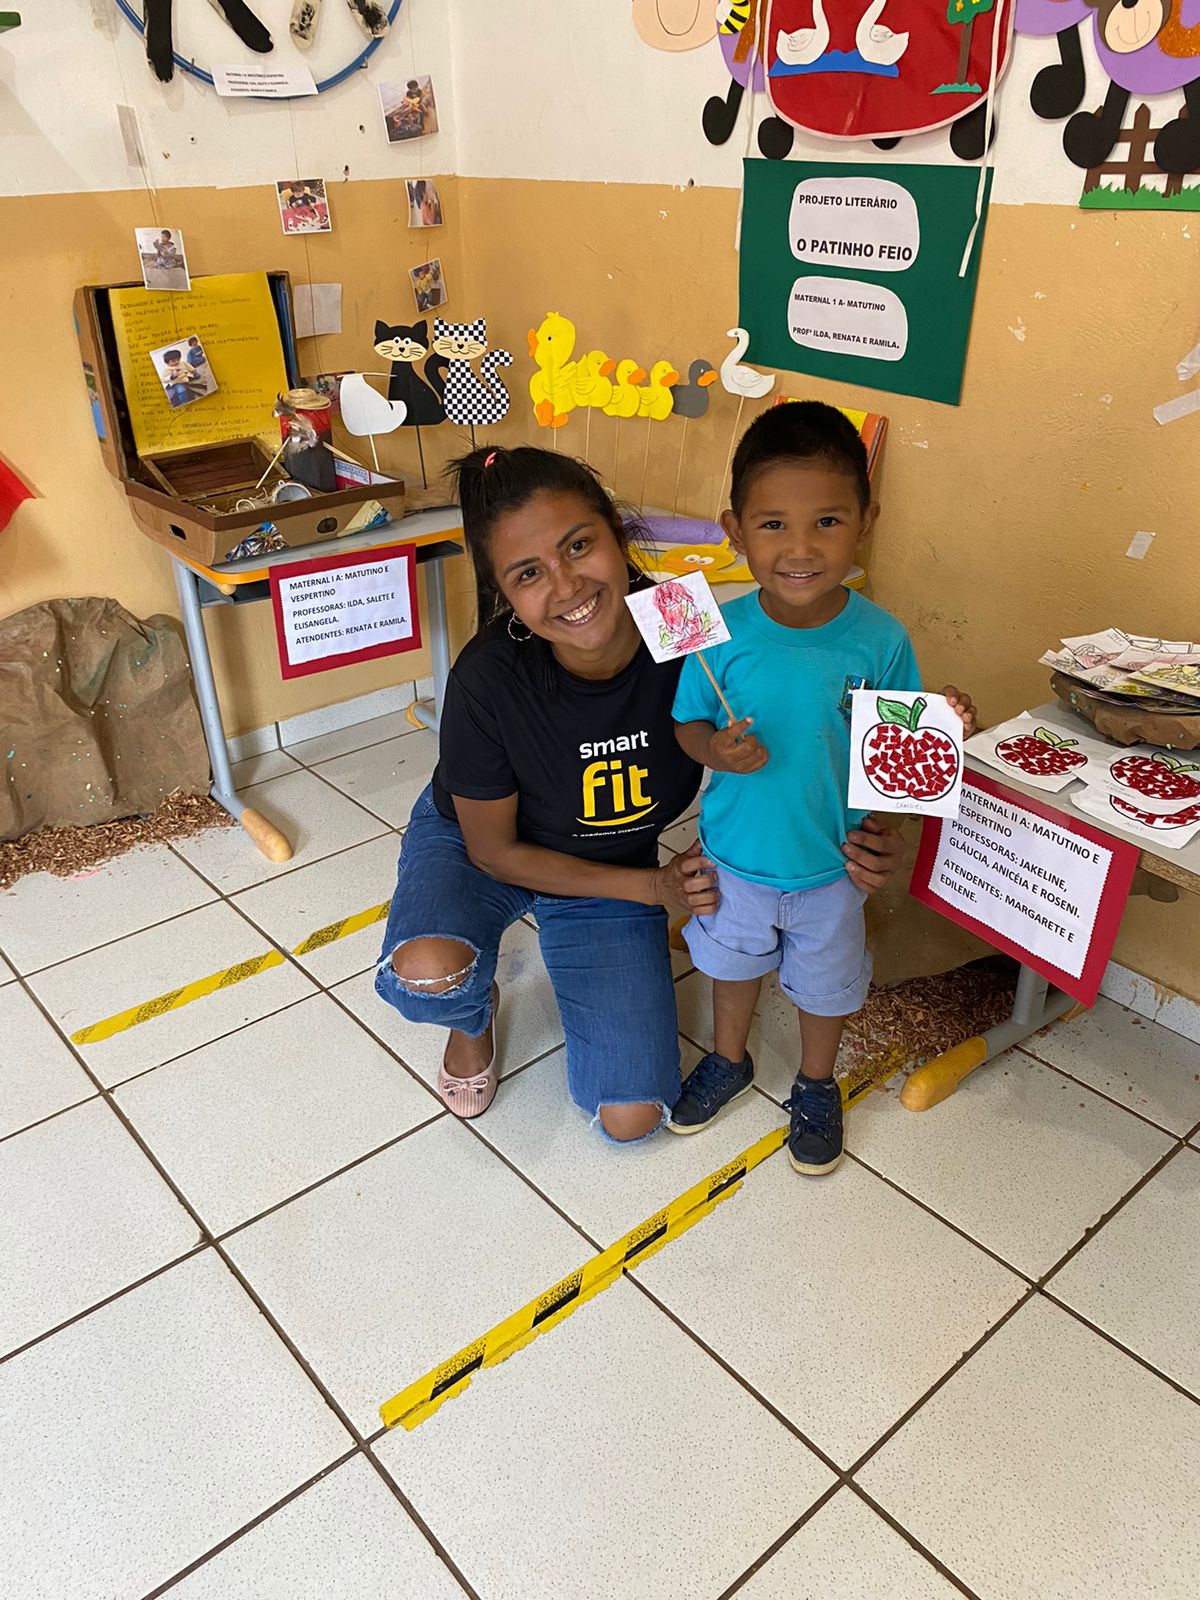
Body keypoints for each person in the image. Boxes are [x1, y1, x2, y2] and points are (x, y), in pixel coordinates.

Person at [373, 445, 918, 1144]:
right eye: (529, 573)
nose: (567, 584)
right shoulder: (488, 677)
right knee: (432, 973)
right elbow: (494, 850)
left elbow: (800, 735)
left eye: (579, 545)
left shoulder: (682, 625)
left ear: (617, 534)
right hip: (486, 849)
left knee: (630, 1118)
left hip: (614, 861)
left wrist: (871, 829)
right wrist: (655, 889)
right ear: (502, 591)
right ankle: (472, 1021)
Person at [667, 401, 976, 1174]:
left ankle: (814, 1083)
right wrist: (715, 750)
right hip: (735, 859)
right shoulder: (714, 635)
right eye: (772, 525)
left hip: (833, 869)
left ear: (865, 522)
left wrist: (937, 740)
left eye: (828, 523)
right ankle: (729, 1060)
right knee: (730, 973)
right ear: (734, 529)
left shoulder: (882, 639)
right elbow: (686, 725)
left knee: (826, 988)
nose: (800, 548)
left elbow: (898, 761)